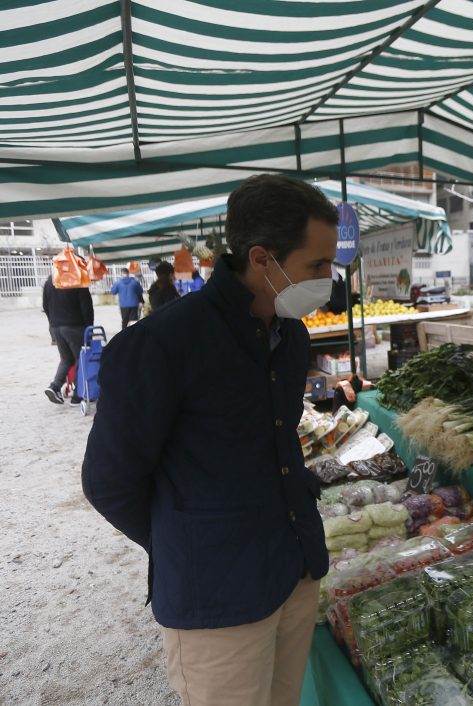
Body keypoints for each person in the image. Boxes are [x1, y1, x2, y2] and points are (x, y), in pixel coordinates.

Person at [82, 174, 338, 706]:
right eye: (317, 265)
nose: (328, 278)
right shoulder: (160, 344)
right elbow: (109, 481)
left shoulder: (292, 335)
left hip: (295, 571)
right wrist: (188, 542)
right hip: (219, 598)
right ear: (263, 259)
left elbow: (277, 439)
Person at [42, 273, 94, 405]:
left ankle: (55, 386)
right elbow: (86, 307)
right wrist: (89, 327)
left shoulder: (50, 280)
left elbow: (45, 306)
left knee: (66, 359)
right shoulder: (78, 280)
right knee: (80, 359)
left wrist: (53, 323)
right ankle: (77, 395)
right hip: (75, 327)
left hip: (56, 327)